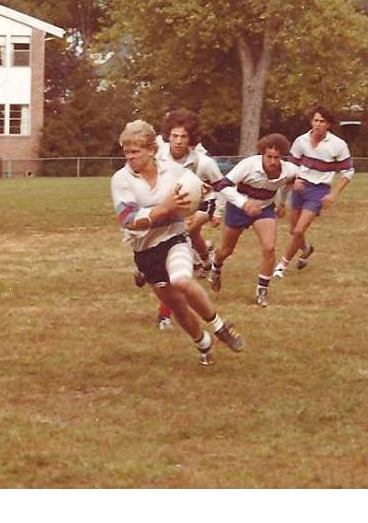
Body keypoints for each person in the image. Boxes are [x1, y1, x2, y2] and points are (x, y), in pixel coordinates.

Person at [111, 120, 241, 366]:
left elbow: (202, 188)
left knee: (182, 279)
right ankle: (203, 343)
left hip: (174, 238)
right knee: (178, 308)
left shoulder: (173, 170)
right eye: (126, 152)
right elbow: (129, 221)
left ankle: (220, 327)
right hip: (145, 252)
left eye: (135, 152)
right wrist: (166, 208)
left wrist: (202, 196)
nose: (130, 157)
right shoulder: (121, 180)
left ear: (151, 150)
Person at [151, 109, 225, 330]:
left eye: (183, 137)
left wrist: (217, 212)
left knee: (172, 258)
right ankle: (205, 257)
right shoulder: (158, 154)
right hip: (168, 206)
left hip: (199, 204)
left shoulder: (203, 162)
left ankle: (164, 315)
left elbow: (221, 187)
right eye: (174, 136)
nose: (178, 141)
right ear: (168, 136)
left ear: (191, 139)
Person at [208, 133, 299, 307]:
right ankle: (216, 266)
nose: (272, 161)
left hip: (264, 209)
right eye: (269, 157)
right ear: (262, 154)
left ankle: (261, 292)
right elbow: (222, 185)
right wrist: (243, 203)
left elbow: (291, 182)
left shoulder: (289, 170)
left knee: (269, 247)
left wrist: (281, 203)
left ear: (282, 158)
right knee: (226, 250)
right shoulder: (248, 165)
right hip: (238, 207)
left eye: (277, 158)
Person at [273, 105, 354, 278]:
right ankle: (306, 249)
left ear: (328, 125)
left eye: (322, 121)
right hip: (300, 187)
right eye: (316, 120)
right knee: (293, 230)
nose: (318, 124)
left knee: (298, 230)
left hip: (318, 191)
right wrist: (292, 185)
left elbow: (348, 172)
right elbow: (291, 168)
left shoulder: (338, 145)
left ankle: (282, 265)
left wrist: (334, 194)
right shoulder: (301, 141)